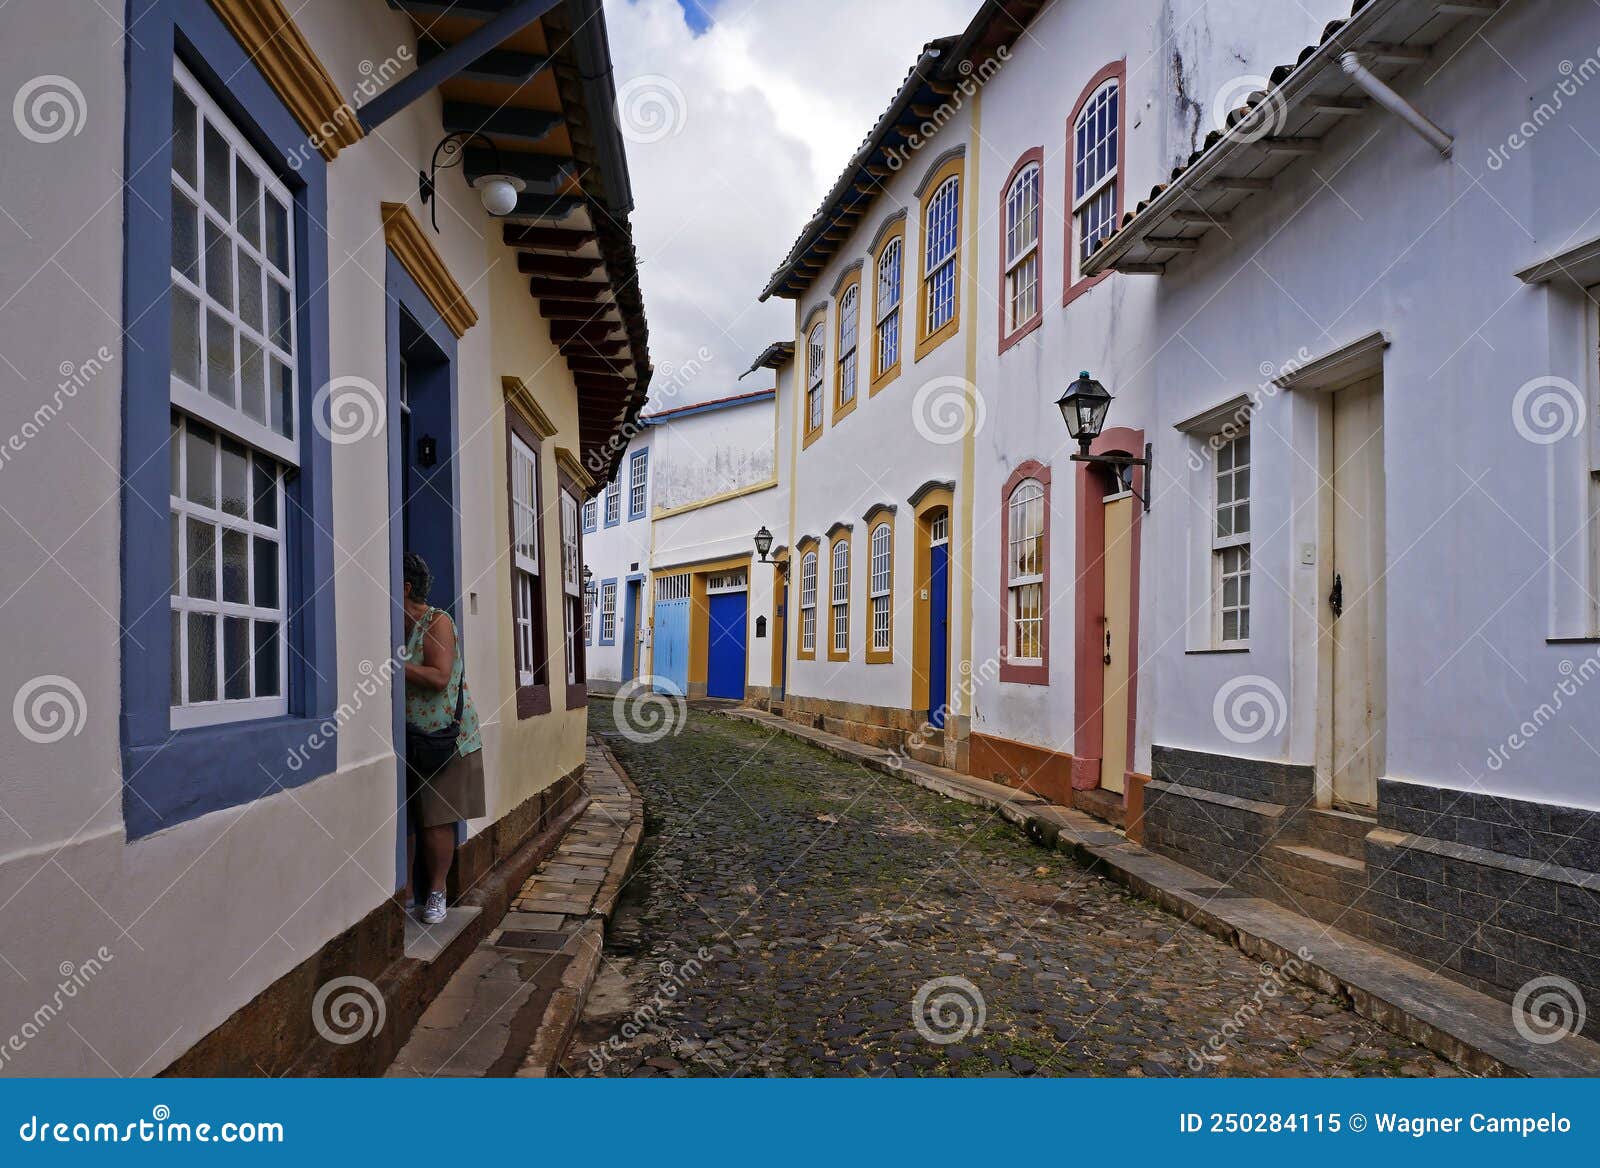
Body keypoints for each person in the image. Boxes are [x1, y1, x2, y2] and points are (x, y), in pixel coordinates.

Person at [401, 552, 485, 925]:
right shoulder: (395, 624)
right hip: (408, 735)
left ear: (405, 587)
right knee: (405, 819)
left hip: (445, 739)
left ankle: (436, 892)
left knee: (436, 819)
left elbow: (439, 677)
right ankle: (401, 894)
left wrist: (392, 666)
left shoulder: (437, 623)